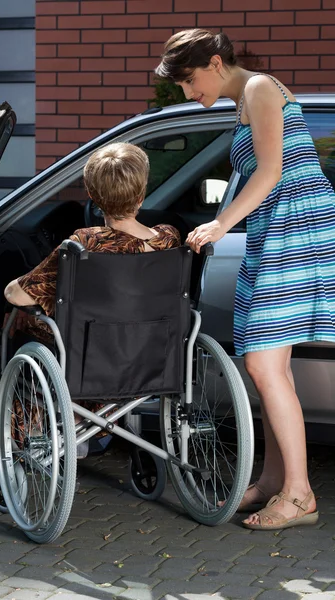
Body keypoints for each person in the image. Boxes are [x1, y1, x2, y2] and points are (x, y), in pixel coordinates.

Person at [155, 28, 335, 530]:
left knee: (261, 364)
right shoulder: (245, 102)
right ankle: (276, 481)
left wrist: (220, 222)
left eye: (190, 81)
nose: (191, 94)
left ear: (216, 63)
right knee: (271, 367)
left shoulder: (259, 88)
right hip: (274, 231)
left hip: (295, 231)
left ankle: (299, 495)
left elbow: (272, 170)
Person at [4, 142, 181, 456]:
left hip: (91, 357)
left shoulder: (83, 243)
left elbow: (17, 294)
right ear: (141, 194)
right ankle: (86, 421)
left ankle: (49, 425)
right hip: (150, 354)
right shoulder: (169, 238)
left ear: (93, 195)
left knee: (19, 321)